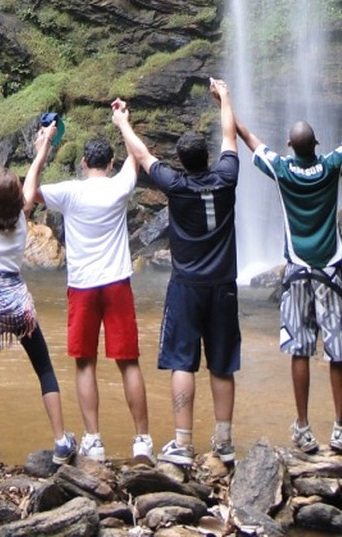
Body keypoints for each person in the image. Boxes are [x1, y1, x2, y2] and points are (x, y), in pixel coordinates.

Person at [234, 92, 342, 455]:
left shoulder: (281, 170)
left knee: (300, 350)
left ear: (289, 146)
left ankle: (303, 428)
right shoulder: (330, 167)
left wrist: (226, 103)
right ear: (316, 144)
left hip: (296, 271)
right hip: (330, 270)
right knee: (337, 349)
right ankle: (340, 429)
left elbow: (250, 141)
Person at [110, 81, 239, 468]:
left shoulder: (176, 186)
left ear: (183, 162)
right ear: (208, 158)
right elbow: (231, 137)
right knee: (222, 363)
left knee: (183, 362)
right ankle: (225, 440)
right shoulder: (227, 177)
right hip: (224, 286)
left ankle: (183, 443)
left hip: (187, 286)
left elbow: (143, 155)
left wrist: (122, 122)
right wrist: (225, 99)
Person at [0, 120, 76, 482]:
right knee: (45, 370)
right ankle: (60, 442)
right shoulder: (24, 215)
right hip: (18, 305)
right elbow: (37, 164)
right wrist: (46, 141)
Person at [35, 119, 153, 464]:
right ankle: (142, 441)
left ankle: (94, 440)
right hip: (117, 282)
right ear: (111, 164)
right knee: (128, 362)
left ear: (84, 164)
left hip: (83, 286)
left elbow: (32, 190)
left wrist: (44, 145)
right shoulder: (121, 186)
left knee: (85, 364)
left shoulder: (70, 191)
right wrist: (123, 121)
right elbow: (138, 153)